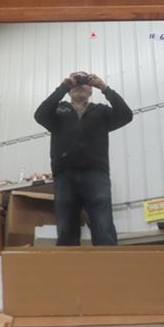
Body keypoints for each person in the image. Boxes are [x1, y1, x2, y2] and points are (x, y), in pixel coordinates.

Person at [34, 71, 133, 246]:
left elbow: (126, 115)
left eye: (85, 81)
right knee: (66, 229)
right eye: (75, 80)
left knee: (103, 227)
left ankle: (108, 262)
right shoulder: (58, 111)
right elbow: (39, 115)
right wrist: (62, 87)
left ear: (91, 89)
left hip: (96, 174)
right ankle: (69, 263)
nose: (79, 84)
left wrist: (105, 88)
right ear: (69, 90)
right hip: (64, 175)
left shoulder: (101, 111)